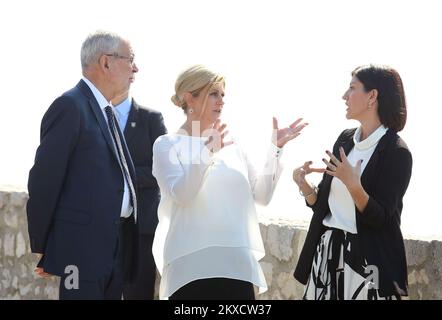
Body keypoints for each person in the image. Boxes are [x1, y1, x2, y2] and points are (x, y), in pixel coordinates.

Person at [151, 64, 307, 300]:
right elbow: (183, 195)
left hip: (237, 267)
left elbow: (262, 196)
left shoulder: (233, 145)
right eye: (213, 94)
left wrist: (276, 149)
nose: (221, 101)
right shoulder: (166, 144)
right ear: (189, 98)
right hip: (190, 270)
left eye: (223, 95)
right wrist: (206, 153)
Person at [26, 31, 139, 299]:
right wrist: (43, 245)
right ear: (106, 62)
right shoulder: (70, 106)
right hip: (80, 252)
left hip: (115, 248)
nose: (136, 68)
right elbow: (44, 179)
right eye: (130, 59)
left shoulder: (107, 112)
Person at [292, 64, 413, 300]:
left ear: (372, 97)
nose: (344, 96)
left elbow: (381, 219)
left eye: (352, 88)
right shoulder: (345, 140)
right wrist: (305, 188)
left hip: (367, 266)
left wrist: (354, 186)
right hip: (326, 257)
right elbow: (325, 207)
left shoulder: (397, 152)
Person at [110, 92, 167, 300]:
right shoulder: (94, 117)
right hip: (102, 228)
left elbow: (162, 169)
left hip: (141, 229)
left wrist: (122, 174)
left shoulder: (151, 119)